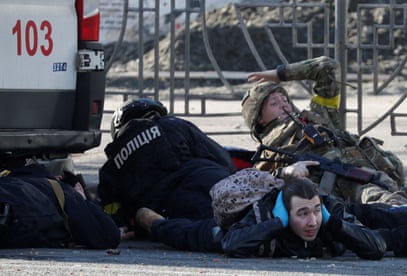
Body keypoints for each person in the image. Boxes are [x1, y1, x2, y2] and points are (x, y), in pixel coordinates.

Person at [241, 55, 407, 206]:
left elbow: (326, 67)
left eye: (284, 99)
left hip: (374, 178)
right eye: (274, 103)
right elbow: (256, 182)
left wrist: (279, 74)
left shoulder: (318, 115)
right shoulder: (271, 150)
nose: (284, 104)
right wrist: (287, 172)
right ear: (260, 120)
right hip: (341, 196)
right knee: (395, 209)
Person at [135, 177, 387, 260]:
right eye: (302, 214)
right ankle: (145, 218)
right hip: (215, 231)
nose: (312, 222)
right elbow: (232, 244)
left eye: (315, 211)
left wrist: (331, 221)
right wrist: (276, 224)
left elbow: (377, 247)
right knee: (179, 231)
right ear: (286, 212)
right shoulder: (263, 213)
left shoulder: (329, 210)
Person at [97, 98, 236, 231]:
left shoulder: (113, 163)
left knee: (225, 228)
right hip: (210, 179)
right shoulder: (174, 124)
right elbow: (222, 158)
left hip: (173, 206)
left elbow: (110, 208)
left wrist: (122, 224)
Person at [0, 163, 121, 249]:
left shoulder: (26, 175)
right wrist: (82, 198)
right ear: (77, 186)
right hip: (11, 211)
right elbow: (109, 236)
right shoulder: (67, 193)